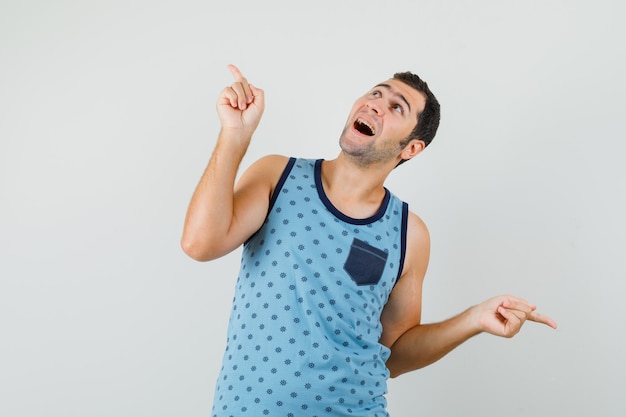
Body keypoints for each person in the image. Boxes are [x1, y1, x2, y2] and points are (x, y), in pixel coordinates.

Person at [181, 65, 557, 417]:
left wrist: (473, 319)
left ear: (411, 148)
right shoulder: (277, 176)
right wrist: (235, 135)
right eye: (376, 93)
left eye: (396, 106)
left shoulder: (409, 233)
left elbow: (394, 354)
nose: (375, 104)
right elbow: (199, 244)